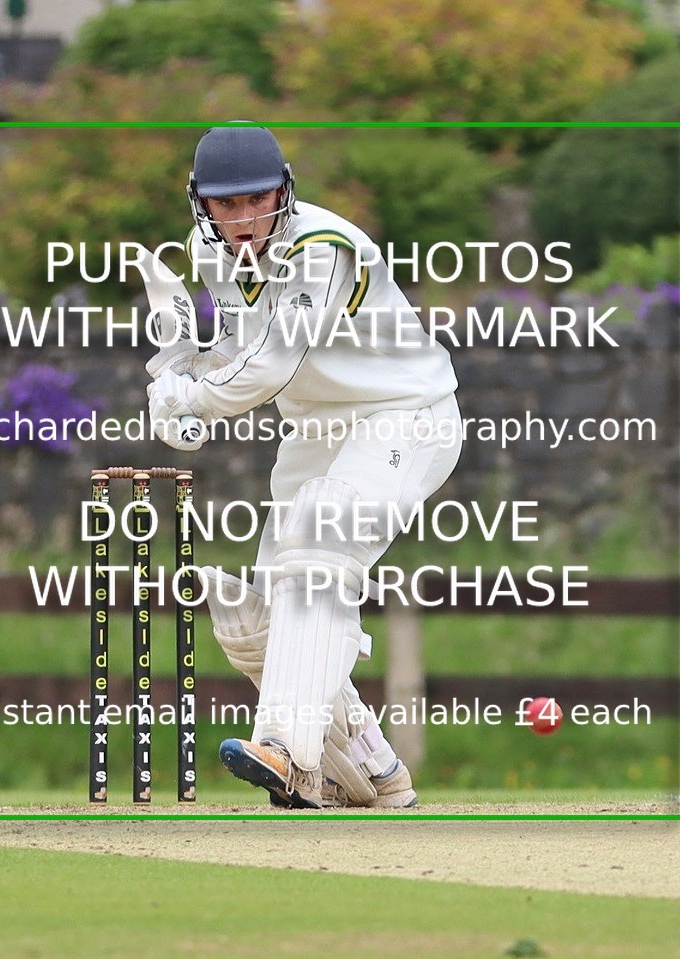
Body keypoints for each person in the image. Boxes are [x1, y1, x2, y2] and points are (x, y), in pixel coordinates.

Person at [148, 124, 462, 808]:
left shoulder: (321, 248)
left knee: (322, 541)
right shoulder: (210, 250)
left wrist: (196, 399)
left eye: (256, 199)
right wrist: (177, 380)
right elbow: (239, 348)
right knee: (262, 620)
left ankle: (288, 750)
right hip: (316, 428)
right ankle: (374, 768)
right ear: (200, 202)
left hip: (404, 413)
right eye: (226, 204)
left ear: (284, 190)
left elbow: (272, 362)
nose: (243, 219)